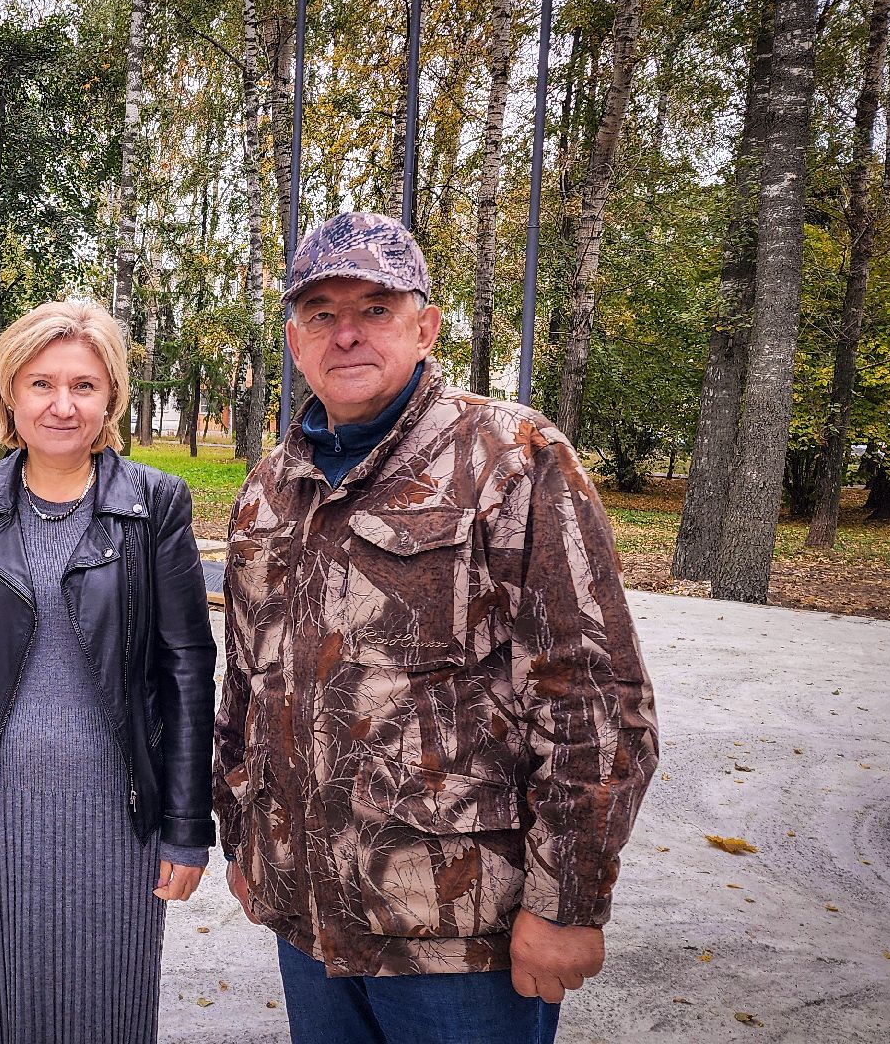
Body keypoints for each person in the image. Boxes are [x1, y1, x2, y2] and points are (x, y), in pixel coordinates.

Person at [212, 212, 659, 1044]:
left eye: (375, 309)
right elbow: (245, 683)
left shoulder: (512, 456)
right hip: (311, 923)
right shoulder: (274, 486)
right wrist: (246, 841)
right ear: (294, 339)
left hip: (459, 938)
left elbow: (592, 696)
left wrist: (567, 905)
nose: (347, 334)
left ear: (425, 328)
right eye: (322, 314)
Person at [0, 301, 218, 1043]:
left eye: (84, 385)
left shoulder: (153, 505)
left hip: (117, 815)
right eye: (41, 384)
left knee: (104, 1006)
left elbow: (186, 672)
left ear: (111, 398)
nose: (63, 405)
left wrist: (184, 827)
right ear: (10, 393)